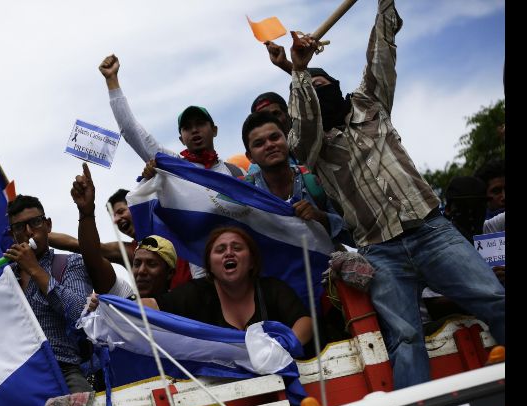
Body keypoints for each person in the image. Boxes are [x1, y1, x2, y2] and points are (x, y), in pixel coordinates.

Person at [282, 0, 505, 388]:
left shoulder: (370, 103)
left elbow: (381, 54)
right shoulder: (309, 145)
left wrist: (385, 4)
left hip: (431, 231)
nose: (319, 92)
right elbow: (303, 126)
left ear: (337, 87)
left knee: (495, 298)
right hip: (379, 252)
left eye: (323, 85)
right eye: (311, 93)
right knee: (404, 339)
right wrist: (299, 71)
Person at [143, 227, 314, 358]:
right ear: (210, 266)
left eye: (237, 248)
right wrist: (127, 306)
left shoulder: (272, 288)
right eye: (220, 250)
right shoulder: (196, 292)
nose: (229, 253)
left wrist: (280, 349)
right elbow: (151, 306)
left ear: (252, 261)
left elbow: (304, 322)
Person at [98, 54, 245, 178]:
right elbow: (132, 131)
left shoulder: (237, 173)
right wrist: (112, 80)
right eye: (187, 127)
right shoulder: (173, 166)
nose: (194, 130)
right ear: (181, 139)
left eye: (200, 123)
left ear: (214, 130)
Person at [3, 195, 94, 393]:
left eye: (35, 222)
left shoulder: (70, 263)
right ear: (12, 234)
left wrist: (35, 270)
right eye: (19, 227)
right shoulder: (4, 278)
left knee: (86, 405)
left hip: (62, 370)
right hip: (16, 375)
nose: (29, 232)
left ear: (48, 225)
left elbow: (81, 313)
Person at [241, 110, 351, 245]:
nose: (269, 145)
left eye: (275, 137)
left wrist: (320, 218)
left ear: (287, 139)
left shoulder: (316, 180)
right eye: (259, 144)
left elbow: (354, 235)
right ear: (250, 157)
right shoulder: (246, 196)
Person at [69, 162, 177, 299]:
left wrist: (160, 173)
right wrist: (86, 212)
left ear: (170, 273)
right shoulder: (127, 299)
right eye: (136, 263)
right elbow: (92, 258)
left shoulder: (175, 228)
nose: (141, 271)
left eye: (151, 264)